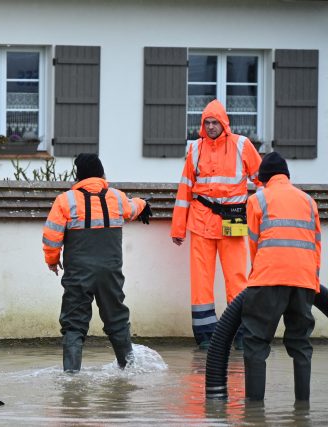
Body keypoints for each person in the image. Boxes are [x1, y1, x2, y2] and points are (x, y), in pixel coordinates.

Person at [42, 153, 151, 372]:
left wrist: (52, 261)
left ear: (78, 175)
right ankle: (128, 372)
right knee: (117, 320)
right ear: (101, 173)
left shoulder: (65, 200)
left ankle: (71, 378)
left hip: (78, 274)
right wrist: (143, 203)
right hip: (110, 273)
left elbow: (52, 237)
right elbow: (132, 208)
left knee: (74, 325)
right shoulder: (117, 197)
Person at [171, 99, 262, 350]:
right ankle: (205, 335)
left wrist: (261, 217)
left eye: (215, 122)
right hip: (200, 221)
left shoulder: (242, 145)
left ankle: (243, 333)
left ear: (224, 123)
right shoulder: (195, 149)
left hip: (233, 217)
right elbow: (185, 189)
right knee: (201, 281)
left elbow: (263, 181)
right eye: (206, 122)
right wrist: (178, 228)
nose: (211, 127)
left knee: (237, 278)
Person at [242, 152, 321, 402]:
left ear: (264, 179)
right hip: (304, 280)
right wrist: (312, 281)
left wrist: (257, 277)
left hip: (268, 279)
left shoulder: (258, 199)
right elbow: (316, 245)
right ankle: (303, 407)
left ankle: (254, 412)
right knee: (301, 345)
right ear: (287, 176)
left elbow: (254, 244)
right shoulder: (309, 201)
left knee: (255, 343)